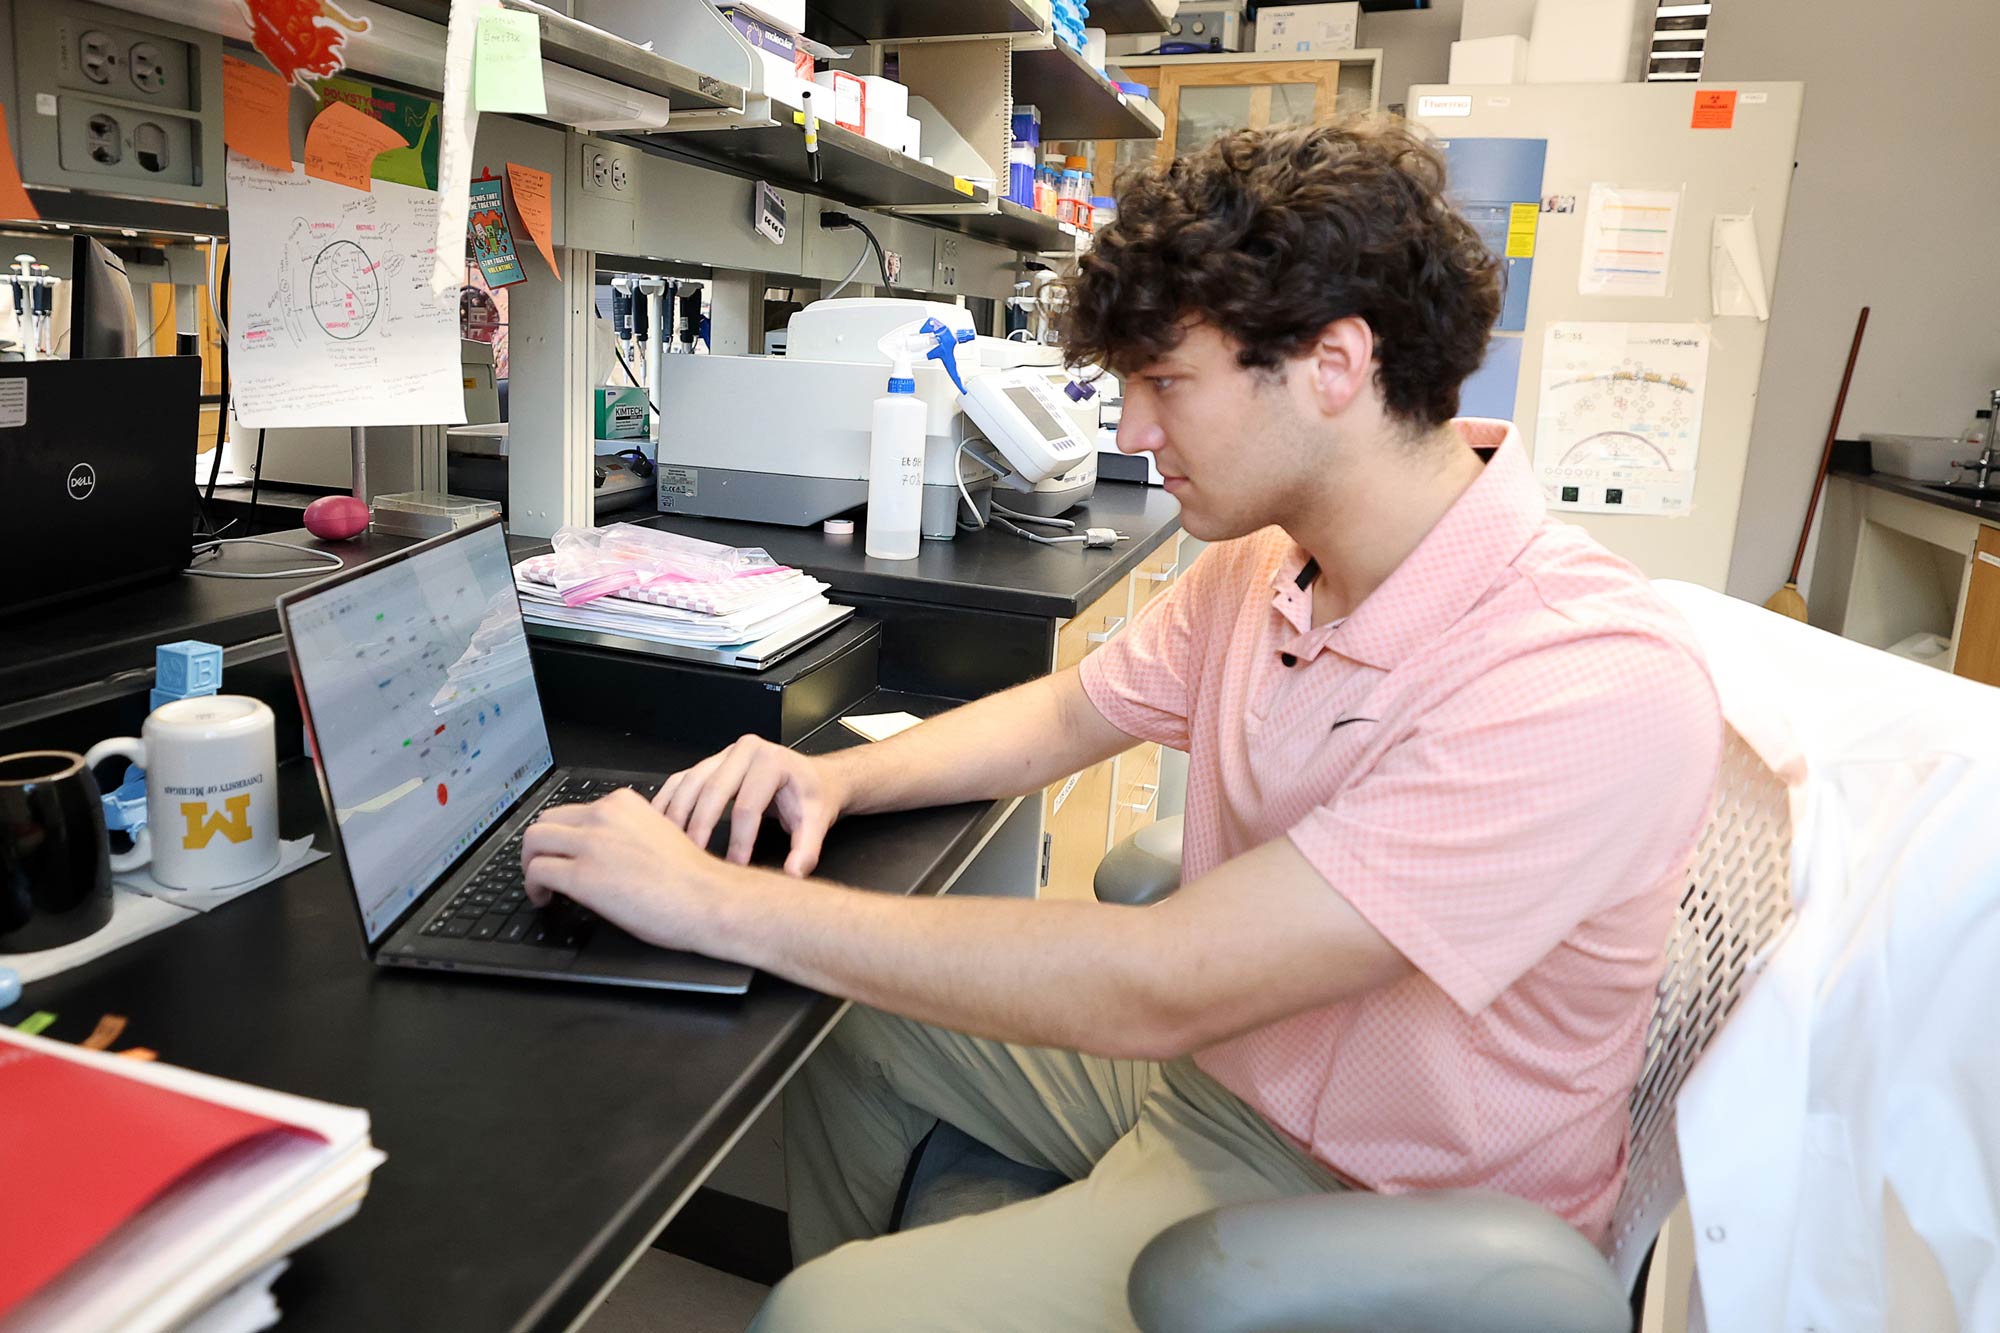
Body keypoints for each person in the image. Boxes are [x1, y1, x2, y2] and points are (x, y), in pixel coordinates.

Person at [520, 117, 1723, 1329]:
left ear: (1333, 366)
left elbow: (1166, 983)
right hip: (1229, 1075)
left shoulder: (1578, 679)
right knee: (850, 1019)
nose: (1134, 433)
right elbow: (1066, 712)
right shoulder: (1269, 561)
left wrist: (712, 900)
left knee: (822, 1315)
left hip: (1375, 1198)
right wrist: (830, 781)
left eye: (1166, 383)